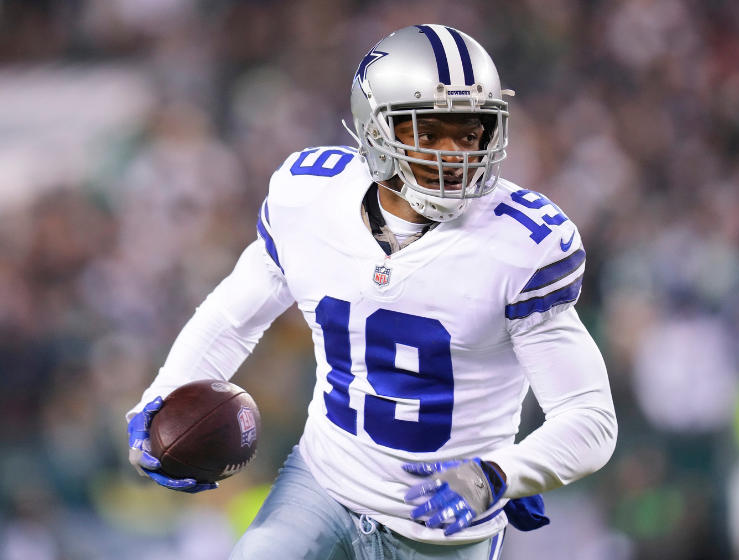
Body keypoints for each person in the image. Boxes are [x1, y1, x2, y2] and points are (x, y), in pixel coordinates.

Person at [127, 24, 617, 560]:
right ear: (374, 131)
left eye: (470, 132)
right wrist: (164, 397)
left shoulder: (520, 246)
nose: (454, 155)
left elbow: (590, 418)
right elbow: (232, 317)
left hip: (442, 527)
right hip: (324, 484)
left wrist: (500, 475)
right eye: (429, 134)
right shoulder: (310, 199)